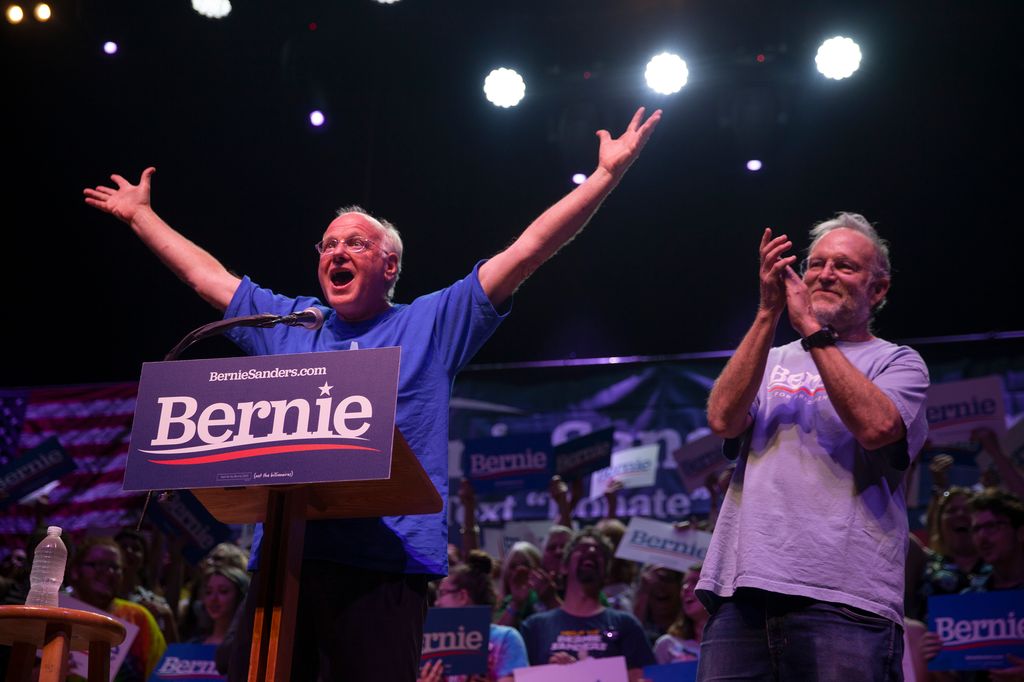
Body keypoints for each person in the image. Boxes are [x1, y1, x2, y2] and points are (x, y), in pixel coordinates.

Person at [84, 107, 661, 682]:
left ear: (389, 266)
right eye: (328, 244)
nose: (335, 252)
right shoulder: (288, 324)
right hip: (287, 561)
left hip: (386, 568)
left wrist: (605, 177)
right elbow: (205, 278)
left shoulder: (433, 323)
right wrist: (140, 217)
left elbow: (528, 251)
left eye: (355, 244)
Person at [698, 213, 930, 681]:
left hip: (845, 602)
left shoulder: (898, 362)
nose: (825, 274)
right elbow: (722, 418)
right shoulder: (770, 357)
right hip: (741, 594)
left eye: (844, 266)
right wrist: (768, 313)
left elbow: (876, 427)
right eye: (816, 263)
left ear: (878, 290)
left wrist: (812, 331)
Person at [520, 527, 655, 682]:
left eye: (599, 553)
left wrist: (581, 673)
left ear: (606, 572)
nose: (591, 551)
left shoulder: (626, 624)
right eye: (581, 549)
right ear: (564, 567)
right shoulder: (535, 627)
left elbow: (642, 678)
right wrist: (552, 674)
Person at [418, 550, 529, 682]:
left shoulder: (505, 638)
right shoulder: (432, 643)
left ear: (462, 596)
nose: (437, 602)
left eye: (442, 593)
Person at [66, 537, 167, 682]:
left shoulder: (138, 617)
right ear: (75, 571)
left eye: (115, 567)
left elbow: (160, 674)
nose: (108, 572)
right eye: (98, 565)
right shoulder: (57, 613)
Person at [653, 563, 707, 664]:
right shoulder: (667, 644)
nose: (685, 588)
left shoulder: (733, 642)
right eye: (684, 583)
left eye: (695, 582)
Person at [192, 566, 250, 646]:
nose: (213, 598)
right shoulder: (193, 645)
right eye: (208, 592)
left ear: (240, 596)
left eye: (223, 591)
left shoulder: (249, 647)